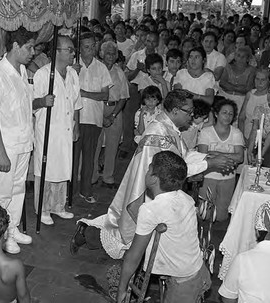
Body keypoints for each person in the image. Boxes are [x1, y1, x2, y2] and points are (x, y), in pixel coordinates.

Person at [70, 90, 236, 259]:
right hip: (147, 191)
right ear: (176, 110)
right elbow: (172, 169)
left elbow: (183, 155)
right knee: (129, 231)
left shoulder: (169, 127)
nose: (192, 115)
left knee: (138, 231)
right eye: (189, 111)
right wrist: (209, 164)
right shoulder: (158, 132)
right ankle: (87, 234)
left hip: (158, 189)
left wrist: (207, 157)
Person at [116, 151, 211, 303]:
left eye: (149, 168)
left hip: (183, 285)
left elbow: (134, 256)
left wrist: (121, 289)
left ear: (154, 179)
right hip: (198, 271)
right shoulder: (185, 198)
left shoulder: (150, 209)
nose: (147, 170)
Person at [0, 27, 36, 254]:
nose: (33, 52)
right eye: (29, 47)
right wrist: (1, 152)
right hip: (7, 144)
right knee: (3, 192)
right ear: (15, 46)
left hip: (24, 140)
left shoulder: (23, 70)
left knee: (18, 189)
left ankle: (12, 228)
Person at [32, 35, 82, 225]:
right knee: (47, 168)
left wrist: (76, 125)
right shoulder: (43, 74)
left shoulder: (72, 74)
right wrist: (43, 101)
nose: (73, 53)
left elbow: (76, 103)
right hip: (49, 131)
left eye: (72, 50)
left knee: (63, 167)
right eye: (69, 50)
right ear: (57, 52)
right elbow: (32, 103)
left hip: (67, 129)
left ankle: (58, 206)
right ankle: (43, 208)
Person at [72, 32, 112, 203]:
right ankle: (71, 192)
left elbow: (105, 95)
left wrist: (84, 94)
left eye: (93, 46)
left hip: (94, 118)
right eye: (86, 47)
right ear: (79, 49)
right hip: (75, 119)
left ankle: (86, 191)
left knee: (90, 158)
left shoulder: (101, 67)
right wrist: (72, 75)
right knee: (73, 158)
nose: (90, 50)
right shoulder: (72, 67)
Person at [198, 99, 244, 222]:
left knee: (222, 216)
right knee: (204, 214)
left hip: (227, 178)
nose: (228, 116)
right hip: (208, 176)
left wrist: (216, 154)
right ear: (216, 114)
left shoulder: (236, 133)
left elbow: (240, 157)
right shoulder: (206, 132)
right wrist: (230, 155)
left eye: (231, 113)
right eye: (224, 112)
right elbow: (203, 155)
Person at [92, 41, 129, 189]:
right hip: (97, 109)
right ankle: (92, 175)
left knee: (113, 146)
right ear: (101, 54)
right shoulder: (95, 70)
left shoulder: (119, 72)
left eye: (113, 53)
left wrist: (113, 115)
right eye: (107, 53)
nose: (110, 56)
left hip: (115, 110)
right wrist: (101, 115)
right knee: (95, 145)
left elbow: (124, 97)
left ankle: (108, 177)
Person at [219, 46, 256, 118]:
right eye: (238, 55)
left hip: (241, 100)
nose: (240, 58)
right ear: (235, 56)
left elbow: (247, 89)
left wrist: (230, 86)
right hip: (225, 96)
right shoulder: (228, 67)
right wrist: (239, 87)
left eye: (243, 56)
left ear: (248, 59)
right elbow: (222, 83)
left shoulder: (252, 70)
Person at [238, 67, 270, 139]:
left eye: (263, 80)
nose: (259, 83)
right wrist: (242, 137)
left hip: (263, 136)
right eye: (257, 79)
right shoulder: (250, 94)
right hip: (246, 133)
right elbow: (241, 118)